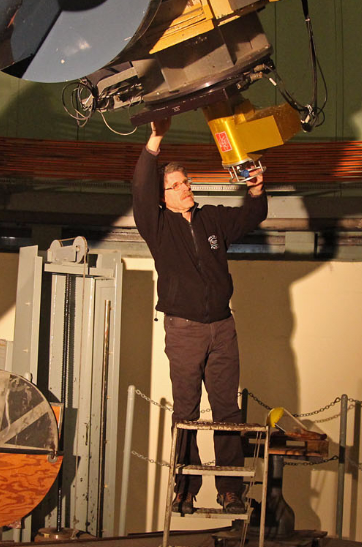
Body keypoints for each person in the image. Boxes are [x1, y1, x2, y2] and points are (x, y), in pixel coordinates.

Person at [132, 117, 267, 515]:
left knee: (227, 410)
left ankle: (230, 490)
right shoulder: (155, 225)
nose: (186, 187)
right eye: (176, 185)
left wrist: (257, 188)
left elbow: (250, 217)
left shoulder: (211, 218)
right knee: (187, 411)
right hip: (184, 330)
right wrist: (155, 140)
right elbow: (140, 189)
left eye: (186, 181)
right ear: (163, 197)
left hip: (222, 328)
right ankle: (185, 488)